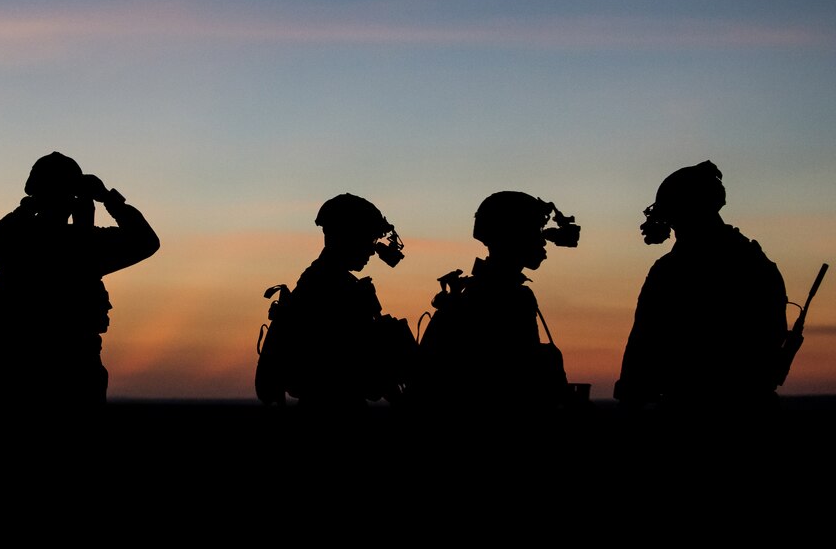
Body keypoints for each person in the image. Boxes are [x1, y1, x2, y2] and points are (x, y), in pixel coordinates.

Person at [0, 151, 160, 405]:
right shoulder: (82, 246)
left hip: (29, 376)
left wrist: (30, 208)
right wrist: (108, 199)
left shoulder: (28, 242)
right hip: (44, 375)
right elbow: (145, 241)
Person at [613, 160, 787, 413]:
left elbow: (644, 343)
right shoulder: (754, 260)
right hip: (751, 405)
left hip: (694, 406)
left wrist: (631, 399)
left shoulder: (672, 269)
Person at [411, 191, 581, 413]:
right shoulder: (502, 298)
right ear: (512, 236)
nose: (543, 241)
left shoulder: (492, 293)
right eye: (534, 231)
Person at [255, 193, 416, 409]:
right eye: (368, 239)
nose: (371, 250)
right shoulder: (329, 286)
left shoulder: (332, 281)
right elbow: (361, 373)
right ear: (347, 237)